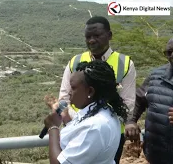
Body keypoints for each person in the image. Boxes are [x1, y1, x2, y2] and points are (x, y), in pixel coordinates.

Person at [51, 16, 136, 163]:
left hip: (110, 133)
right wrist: (76, 122)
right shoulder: (75, 62)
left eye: (96, 36)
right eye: (88, 37)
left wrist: (93, 125)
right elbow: (64, 97)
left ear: (109, 35)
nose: (91, 40)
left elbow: (128, 102)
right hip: (76, 130)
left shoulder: (125, 63)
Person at [44, 60, 128, 164]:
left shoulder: (95, 126)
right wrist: (65, 117)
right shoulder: (103, 111)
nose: (69, 92)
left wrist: (52, 128)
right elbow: (80, 133)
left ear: (90, 91)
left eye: (73, 87)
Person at [126, 38, 173, 164]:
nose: (172, 55)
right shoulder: (155, 76)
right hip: (156, 153)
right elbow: (139, 100)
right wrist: (131, 121)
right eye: (169, 52)